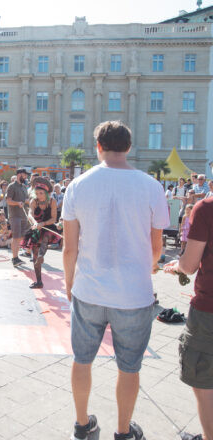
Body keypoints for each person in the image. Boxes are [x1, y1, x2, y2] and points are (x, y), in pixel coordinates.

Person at [62, 121, 169, 440]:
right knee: (129, 366)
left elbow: (69, 248)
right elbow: (157, 247)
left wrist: (69, 286)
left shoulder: (78, 185)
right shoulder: (150, 185)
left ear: (98, 147)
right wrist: (145, 269)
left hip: (89, 289)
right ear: (129, 147)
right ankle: (123, 431)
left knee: (82, 360)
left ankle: (82, 426)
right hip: (133, 294)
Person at [164, 196, 213, 440]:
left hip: (209, 311)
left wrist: (177, 266)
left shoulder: (207, 208)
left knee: (204, 379)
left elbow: (190, 264)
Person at [21, 178, 58, 288]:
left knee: (46, 237)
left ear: (46, 193)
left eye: (41, 193)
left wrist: (43, 223)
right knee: (35, 253)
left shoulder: (52, 201)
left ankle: (41, 256)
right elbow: (30, 214)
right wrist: (36, 222)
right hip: (36, 227)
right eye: (36, 193)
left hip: (49, 227)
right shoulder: (33, 201)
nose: (39, 195)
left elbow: (54, 219)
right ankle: (39, 281)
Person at [6, 168, 29, 267]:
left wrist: (28, 201)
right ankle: (15, 258)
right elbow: (8, 201)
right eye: (25, 175)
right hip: (15, 216)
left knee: (21, 237)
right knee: (16, 238)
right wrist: (17, 203)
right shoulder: (11, 186)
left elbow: (26, 199)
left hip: (24, 215)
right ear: (20, 174)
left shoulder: (24, 187)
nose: (26, 177)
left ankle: (16, 256)